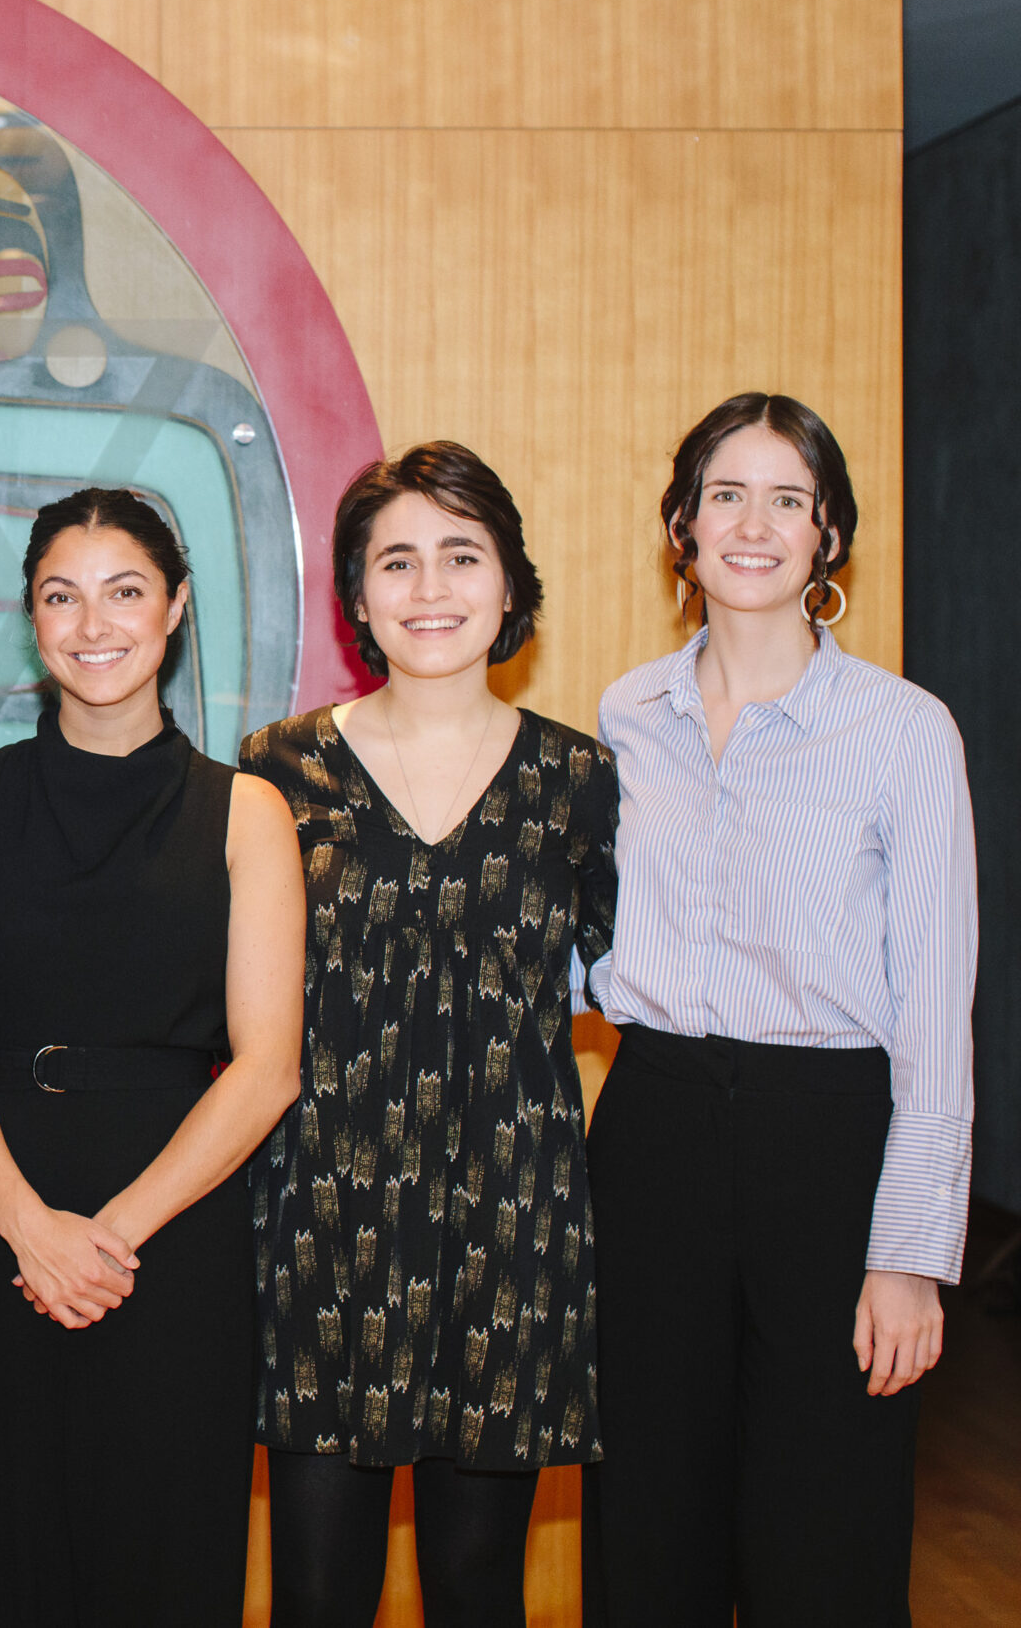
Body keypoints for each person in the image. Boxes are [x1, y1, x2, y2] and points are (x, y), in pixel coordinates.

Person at [584, 394, 974, 1628]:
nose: (754, 523)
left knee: (827, 1532)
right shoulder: (621, 718)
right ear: (682, 527)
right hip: (652, 1127)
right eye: (726, 494)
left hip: (829, 1139)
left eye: (788, 499)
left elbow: (936, 1009)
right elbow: (587, 950)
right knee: (645, 1517)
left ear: (829, 538)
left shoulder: (903, 734)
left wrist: (909, 1252)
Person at [244, 444, 617, 1628]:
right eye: (395, 562)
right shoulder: (277, 771)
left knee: (474, 1588)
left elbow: (633, 981)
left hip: (506, 1223)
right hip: (322, 1221)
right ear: (356, 595)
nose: (430, 588)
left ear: (510, 585)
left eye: (462, 556)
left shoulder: (578, 779)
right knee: (313, 1590)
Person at [0, 489, 305, 1625]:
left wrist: (111, 1236)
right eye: (61, 595)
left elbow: (267, 1066)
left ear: (176, 607)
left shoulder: (245, 811)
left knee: (164, 1558)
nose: (94, 624)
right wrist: (28, 1225)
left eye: (125, 591)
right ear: (32, 619)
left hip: (174, 1233)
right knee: (6, 1554)